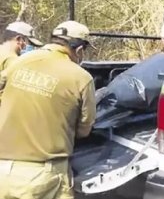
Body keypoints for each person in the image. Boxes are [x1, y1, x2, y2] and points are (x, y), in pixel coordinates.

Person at [0, 20, 96, 199]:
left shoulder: (19, 62)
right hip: (42, 178)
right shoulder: (81, 78)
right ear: (79, 50)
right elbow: (84, 129)